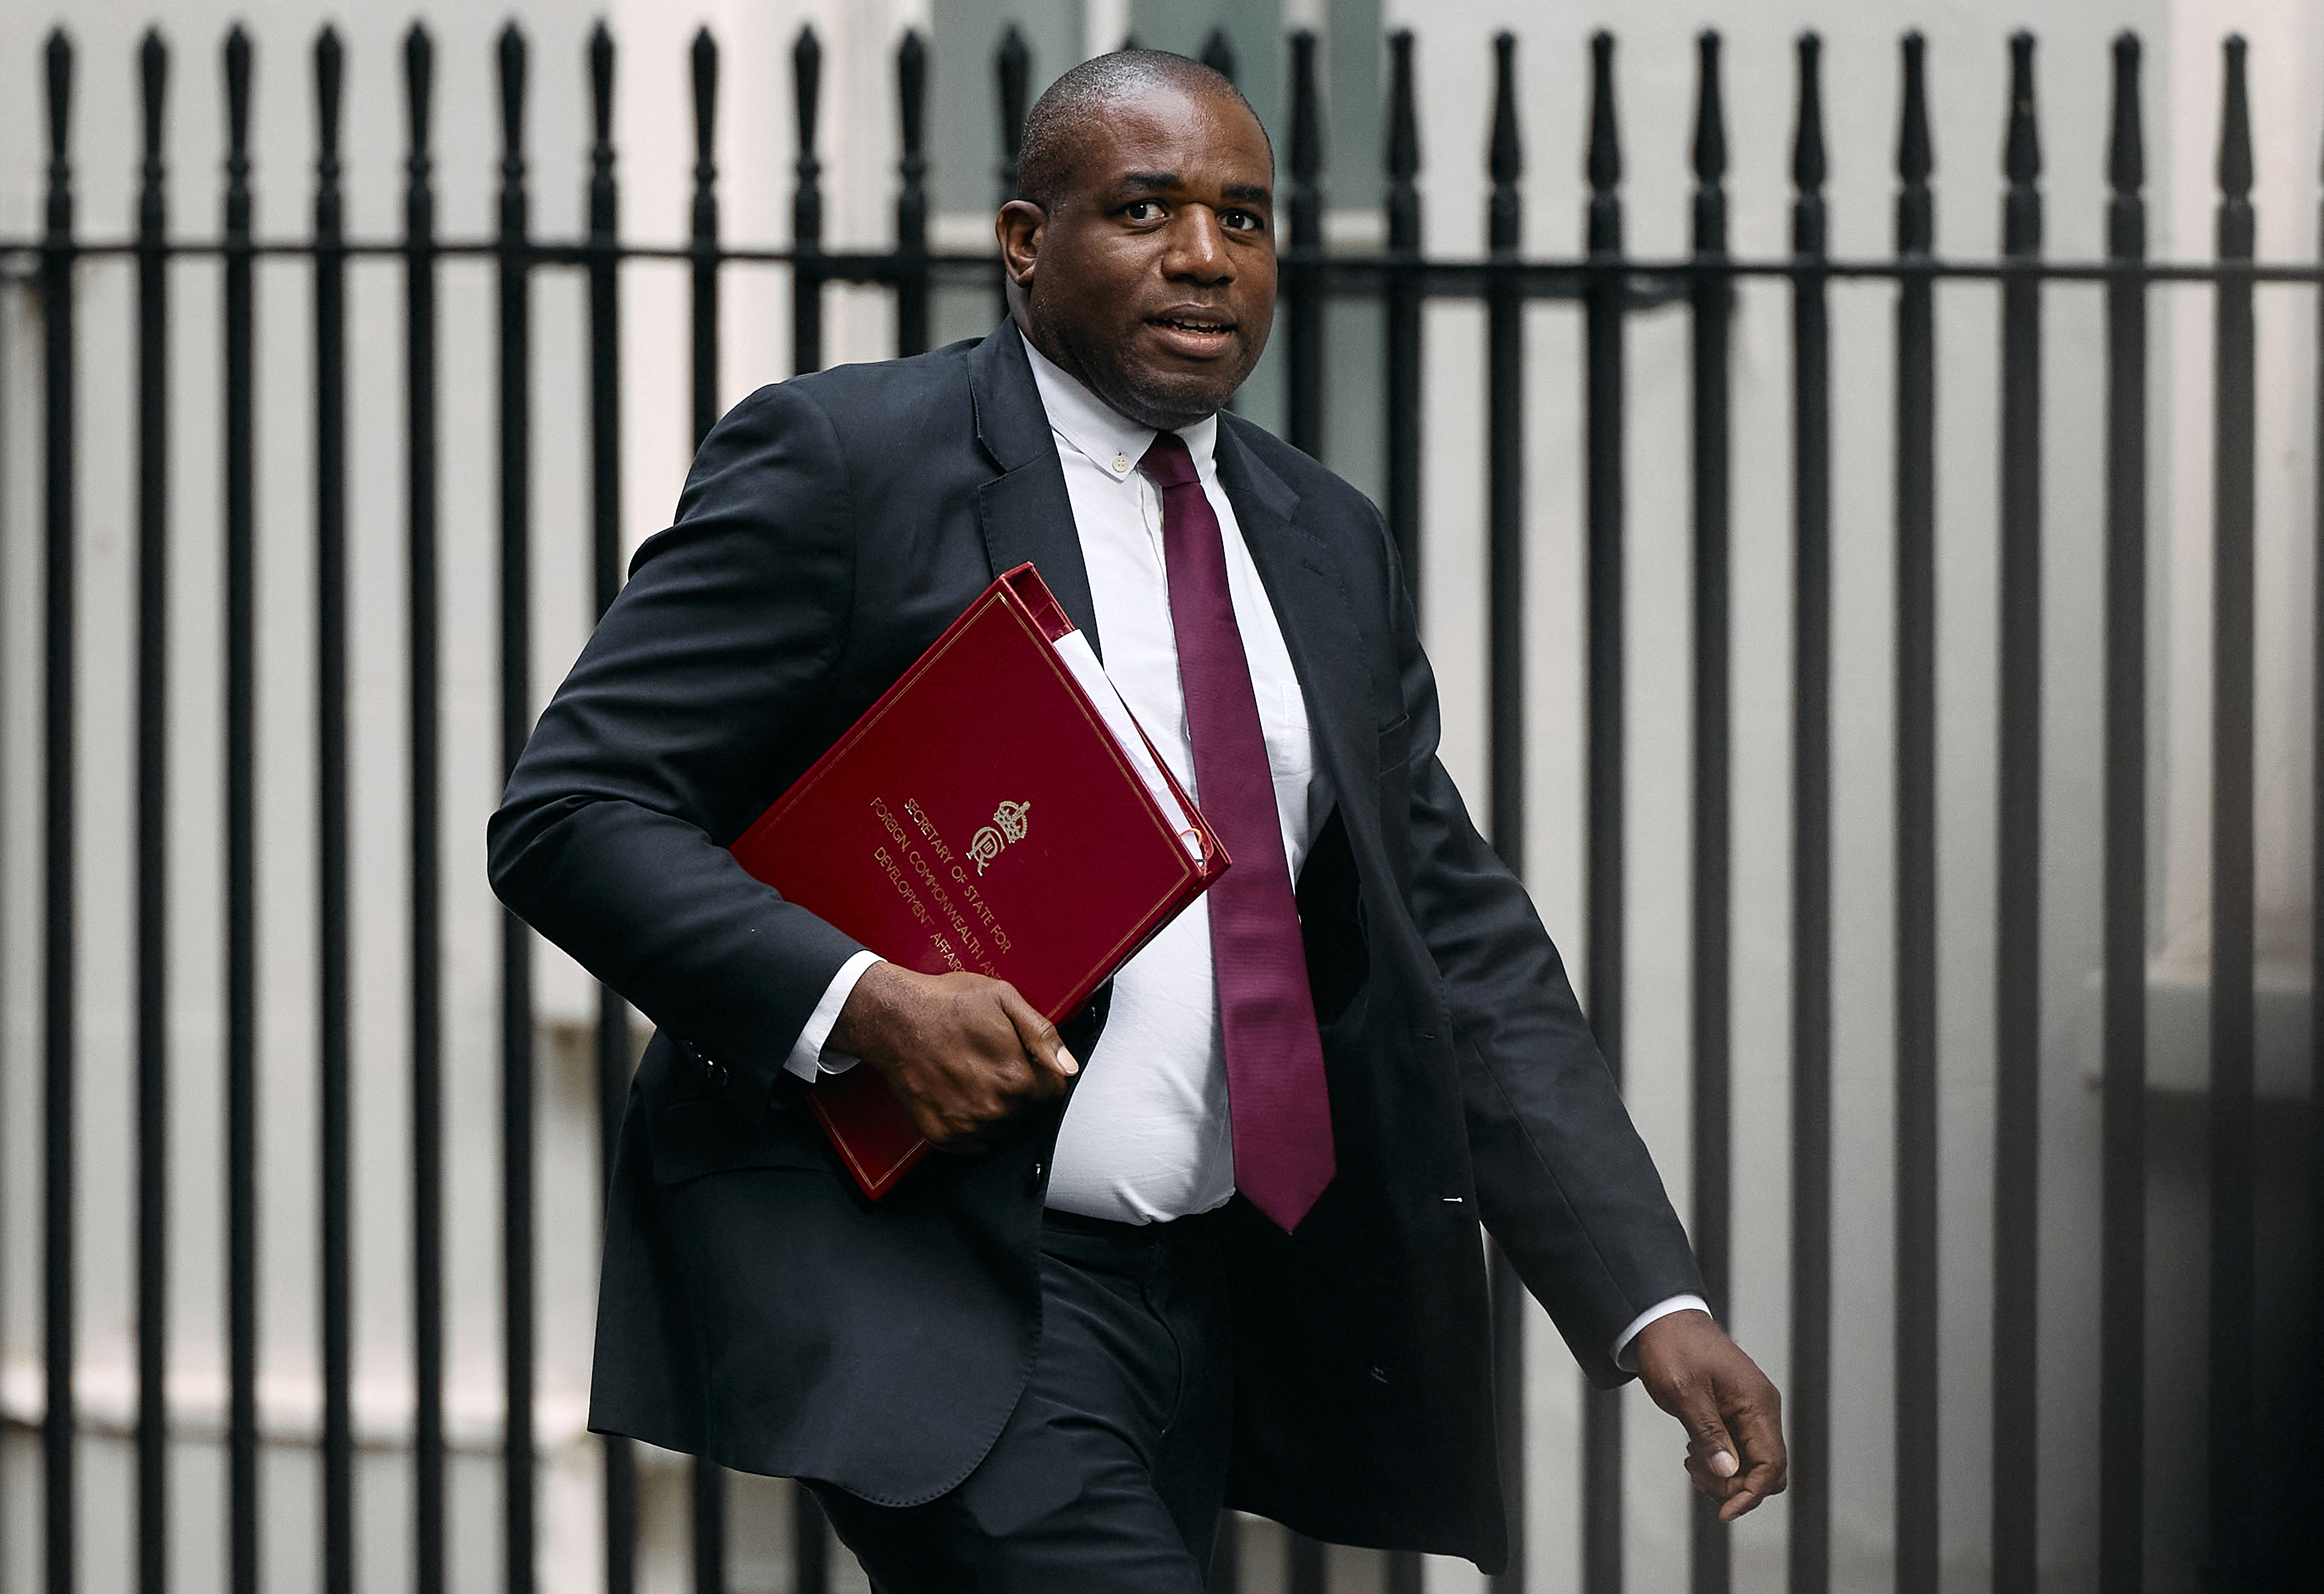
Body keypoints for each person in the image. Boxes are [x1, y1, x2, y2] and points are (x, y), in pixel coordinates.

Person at [490, 48, 1784, 1592]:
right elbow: (576, 810)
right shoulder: (851, 463)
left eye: (1244, 219)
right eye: (1147, 207)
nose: (1203, 256)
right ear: (1025, 241)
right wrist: (863, 1004)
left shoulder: (1322, 537)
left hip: (1209, 1298)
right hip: (944, 1283)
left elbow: (1455, 941)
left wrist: (1649, 1299)